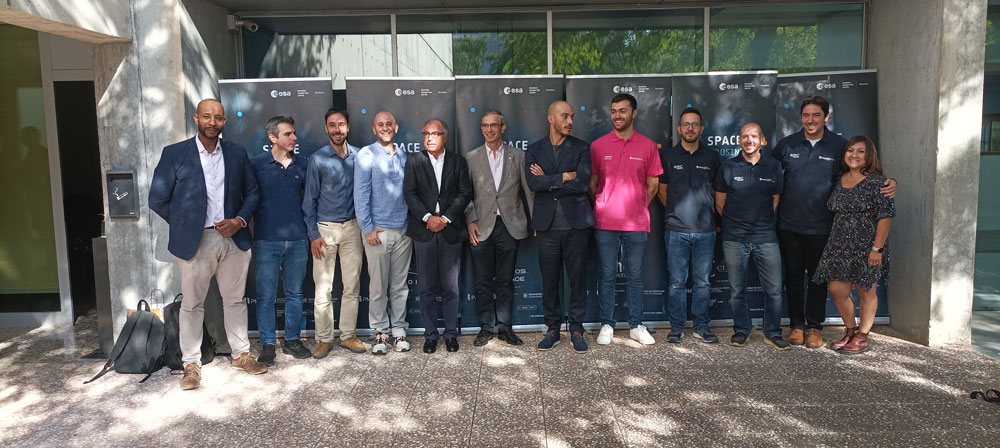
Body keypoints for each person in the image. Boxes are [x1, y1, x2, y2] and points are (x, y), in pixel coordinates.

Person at [149, 99, 267, 390]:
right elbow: (158, 199)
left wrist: (239, 221)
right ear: (196, 118)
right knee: (192, 304)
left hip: (233, 238)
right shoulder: (175, 153)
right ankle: (191, 364)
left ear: (224, 121)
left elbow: (252, 192)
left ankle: (241, 355)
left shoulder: (236, 152)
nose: (212, 122)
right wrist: (187, 225)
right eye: (206, 116)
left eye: (218, 118)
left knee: (235, 300)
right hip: (196, 241)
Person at [772, 96, 896, 348]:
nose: (810, 120)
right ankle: (797, 325)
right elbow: (769, 174)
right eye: (806, 115)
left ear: (826, 117)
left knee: (818, 280)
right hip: (789, 225)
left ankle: (814, 328)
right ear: (801, 117)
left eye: (816, 115)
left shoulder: (839, 146)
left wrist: (891, 182)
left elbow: (861, 172)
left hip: (825, 228)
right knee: (793, 278)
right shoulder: (786, 145)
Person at [589, 93, 661, 346]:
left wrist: (635, 207)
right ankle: (607, 324)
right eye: (613, 111)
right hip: (605, 224)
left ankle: (636, 325)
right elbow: (593, 184)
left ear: (634, 113)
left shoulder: (648, 146)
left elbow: (653, 185)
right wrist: (605, 204)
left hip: (636, 224)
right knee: (607, 276)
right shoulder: (598, 146)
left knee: (636, 276)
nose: (617, 115)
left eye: (622, 110)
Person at [813, 136, 894, 354]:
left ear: (869, 156)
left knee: (866, 290)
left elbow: (885, 217)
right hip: (839, 243)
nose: (854, 155)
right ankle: (850, 331)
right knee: (837, 289)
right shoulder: (839, 179)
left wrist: (877, 249)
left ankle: (862, 336)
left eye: (860, 151)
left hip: (867, 245)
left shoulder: (879, 183)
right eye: (850, 150)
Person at [526, 100, 595, 354]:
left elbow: (583, 183)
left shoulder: (581, 148)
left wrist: (549, 180)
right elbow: (533, 183)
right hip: (547, 228)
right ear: (551, 118)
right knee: (550, 281)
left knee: (577, 280)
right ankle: (552, 329)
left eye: (572, 117)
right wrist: (565, 176)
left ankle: (576, 328)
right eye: (564, 116)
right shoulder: (535, 149)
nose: (570, 121)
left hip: (576, 226)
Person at [714, 122, 789, 350]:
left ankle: (772, 332)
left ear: (762, 140)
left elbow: (775, 201)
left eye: (754, 136)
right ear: (739, 140)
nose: (749, 140)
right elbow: (720, 203)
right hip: (735, 238)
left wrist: (759, 223)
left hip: (766, 237)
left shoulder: (773, 166)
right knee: (737, 290)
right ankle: (741, 330)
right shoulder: (728, 167)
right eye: (745, 136)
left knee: (774, 290)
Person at [404, 119, 472, 353]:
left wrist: (445, 218)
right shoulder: (414, 161)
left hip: (450, 230)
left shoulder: (458, 162)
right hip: (424, 232)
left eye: (435, 134)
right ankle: (431, 335)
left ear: (445, 137)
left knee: (451, 287)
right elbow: (410, 193)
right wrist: (427, 218)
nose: (430, 138)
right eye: (426, 134)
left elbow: (464, 193)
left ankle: (451, 334)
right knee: (426, 288)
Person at [465, 110, 533, 347]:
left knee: (505, 280)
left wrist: (536, 221)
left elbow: (528, 192)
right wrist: (470, 221)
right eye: (485, 125)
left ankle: (505, 328)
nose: (489, 129)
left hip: (509, 225)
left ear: (503, 128)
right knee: (482, 281)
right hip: (481, 227)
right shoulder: (471, 157)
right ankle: (486, 328)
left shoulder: (518, 156)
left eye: (493, 125)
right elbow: (466, 193)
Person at [303, 108, 366, 358]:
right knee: (323, 288)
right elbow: (309, 201)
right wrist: (313, 235)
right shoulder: (317, 159)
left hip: (353, 228)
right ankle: (324, 339)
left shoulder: (360, 157)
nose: (337, 129)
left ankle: (348, 335)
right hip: (324, 230)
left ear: (347, 127)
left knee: (352, 285)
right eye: (332, 125)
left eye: (341, 125)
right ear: (326, 128)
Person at [250, 116, 311, 366]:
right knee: (266, 296)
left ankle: (292, 340)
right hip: (266, 240)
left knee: (295, 293)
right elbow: (247, 199)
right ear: (272, 137)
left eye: (294, 133)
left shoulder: (303, 164)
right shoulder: (256, 164)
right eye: (288, 134)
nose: (294, 137)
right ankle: (267, 343)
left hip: (298, 239)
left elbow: (311, 200)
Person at [658, 106, 721, 344]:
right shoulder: (669, 156)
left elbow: (717, 192)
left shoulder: (712, 157)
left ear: (701, 128)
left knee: (703, 282)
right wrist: (677, 212)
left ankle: (701, 326)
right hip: (676, 230)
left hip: (705, 230)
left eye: (695, 124)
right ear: (679, 129)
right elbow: (662, 191)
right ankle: (676, 327)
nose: (690, 128)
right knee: (676, 282)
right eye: (686, 124)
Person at [354, 110, 411, 355]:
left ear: (395, 128)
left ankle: (398, 331)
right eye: (380, 124)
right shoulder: (366, 155)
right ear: (374, 129)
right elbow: (360, 194)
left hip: (404, 231)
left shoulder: (404, 155)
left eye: (389, 124)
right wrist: (367, 228)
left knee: (400, 287)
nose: (385, 127)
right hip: (377, 231)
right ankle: (379, 332)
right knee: (378, 288)